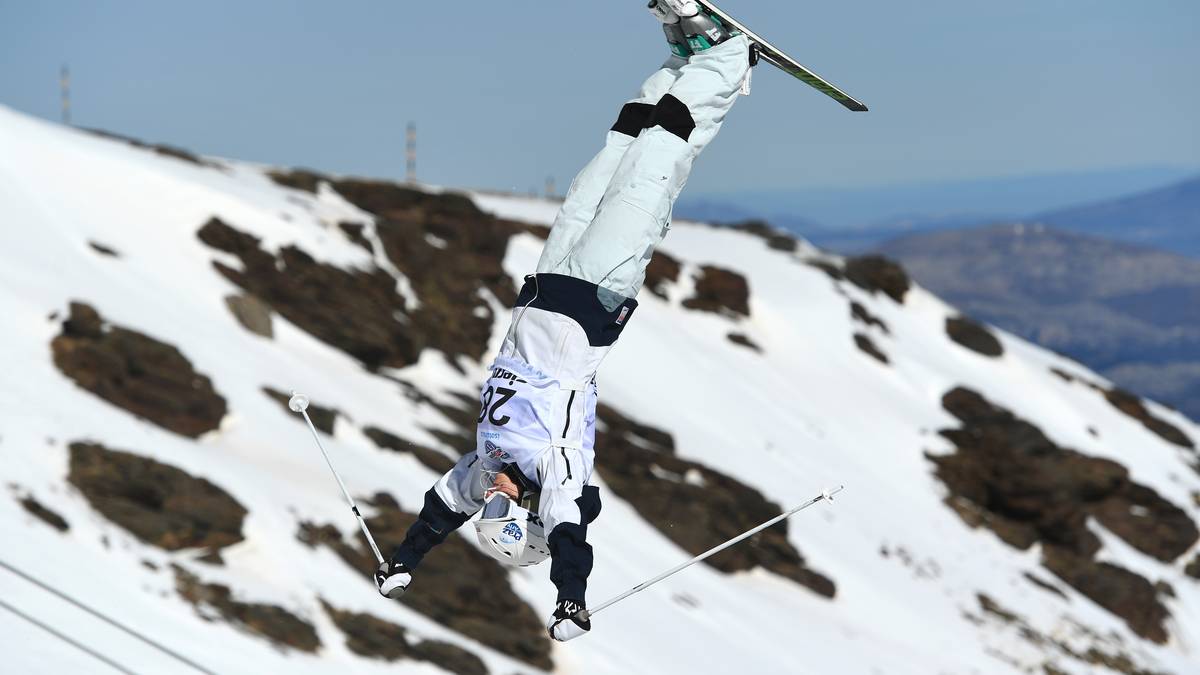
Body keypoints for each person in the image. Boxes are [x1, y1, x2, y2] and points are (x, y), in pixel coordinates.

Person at [375, 0, 753, 642]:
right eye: (500, 503)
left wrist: (404, 561)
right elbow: (573, 544)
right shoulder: (558, 482)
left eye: (485, 504)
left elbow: (440, 511)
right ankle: (725, 59)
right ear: (526, 513)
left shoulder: (483, 467)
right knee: (653, 167)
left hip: (546, 286)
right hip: (596, 300)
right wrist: (569, 603)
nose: (489, 491)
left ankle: (682, 57)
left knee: (617, 150)